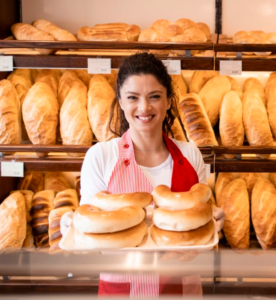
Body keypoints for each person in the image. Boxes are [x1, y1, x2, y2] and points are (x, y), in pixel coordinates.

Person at [61, 52, 224, 297]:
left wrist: (213, 222)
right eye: (132, 97)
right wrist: (73, 227)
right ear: (121, 102)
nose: (144, 107)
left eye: (154, 97)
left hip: (181, 288)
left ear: (169, 101)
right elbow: (90, 233)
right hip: (120, 289)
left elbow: (200, 222)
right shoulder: (101, 156)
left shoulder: (191, 156)